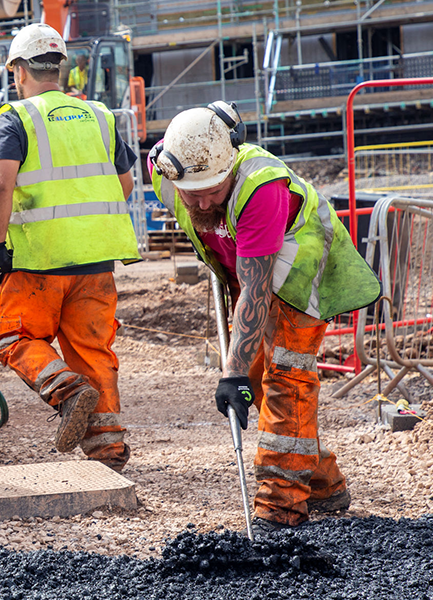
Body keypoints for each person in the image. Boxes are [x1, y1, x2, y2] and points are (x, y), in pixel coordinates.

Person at [150, 101, 380, 536]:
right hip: (248, 271)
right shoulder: (169, 167)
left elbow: (258, 289)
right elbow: (245, 284)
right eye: (191, 192)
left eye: (213, 190)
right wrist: (241, 376)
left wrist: (231, 373)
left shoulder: (261, 189)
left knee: (286, 378)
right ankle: (325, 485)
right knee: (254, 380)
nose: (202, 201)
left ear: (230, 167)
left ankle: (280, 508)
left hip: (296, 267)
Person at [0, 24, 141, 467]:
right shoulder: (99, 116)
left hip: (40, 260)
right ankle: (108, 449)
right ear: (60, 68)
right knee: (93, 349)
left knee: (10, 334)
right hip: (97, 261)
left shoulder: (17, 117)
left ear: (18, 71)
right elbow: (124, 184)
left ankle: (67, 390)